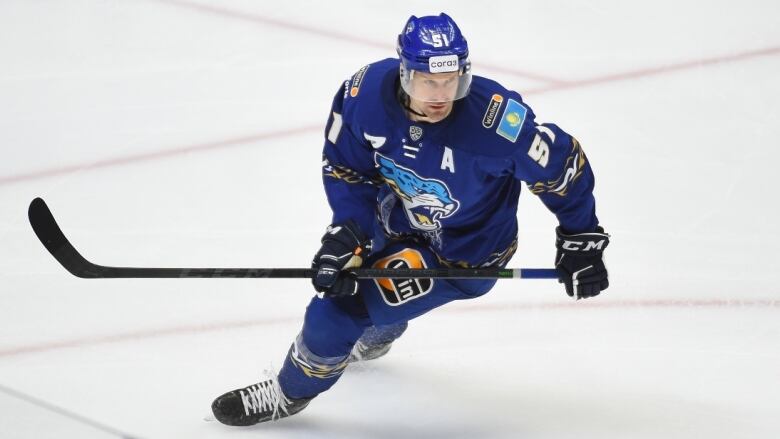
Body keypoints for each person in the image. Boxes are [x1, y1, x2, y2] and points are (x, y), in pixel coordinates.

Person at [211, 13, 610, 426]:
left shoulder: (497, 126)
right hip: (393, 219)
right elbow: (346, 167)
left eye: (450, 80)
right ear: (404, 72)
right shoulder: (364, 95)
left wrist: (580, 238)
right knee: (360, 295)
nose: (440, 94)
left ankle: (288, 392)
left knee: (337, 312)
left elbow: (563, 169)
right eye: (427, 81)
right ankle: (381, 330)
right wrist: (349, 231)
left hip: (461, 256)